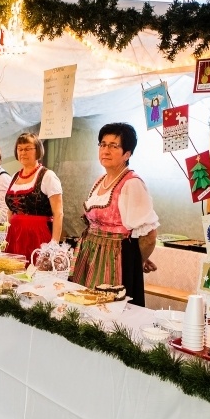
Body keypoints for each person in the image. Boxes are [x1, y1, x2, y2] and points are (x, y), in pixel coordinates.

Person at [69, 122, 159, 306]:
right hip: (90, 257)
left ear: (127, 153)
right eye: (103, 144)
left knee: (109, 311)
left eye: (113, 146)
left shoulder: (132, 184)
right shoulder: (100, 180)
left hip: (114, 261)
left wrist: (135, 261)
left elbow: (149, 236)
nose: (106, 150)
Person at [4, 133, 64, 260]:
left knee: (35, 275)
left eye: (27, 148)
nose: (23, 152)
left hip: (38, 236)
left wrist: (54, 244)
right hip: (14, 235)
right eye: (20, 149)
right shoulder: (14, 176)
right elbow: (10, 211)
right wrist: (5, 233)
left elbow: (58, 213)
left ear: (38, 150)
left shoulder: (48, 176)